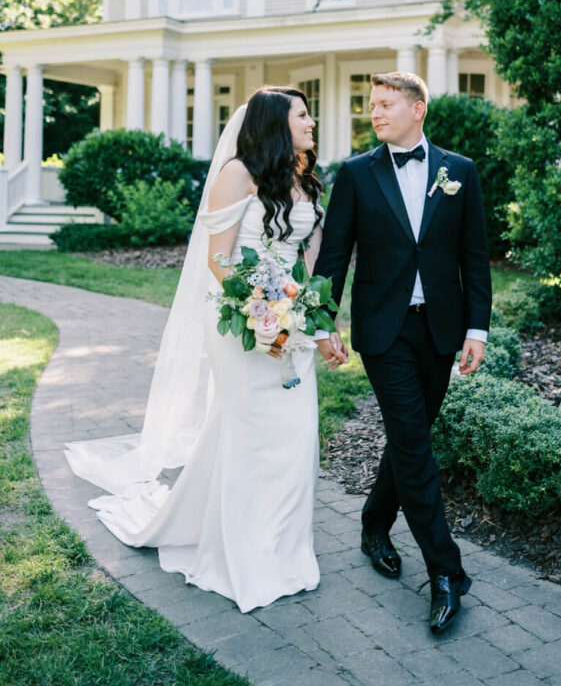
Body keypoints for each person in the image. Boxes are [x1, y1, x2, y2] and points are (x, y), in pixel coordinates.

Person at [65, 87, 346, 613]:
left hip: (294, 320)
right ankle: (242, 555)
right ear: (274, 123)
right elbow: (219, 260)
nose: (312, 122)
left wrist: (319, 320)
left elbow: (309, 261)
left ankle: (285, 551)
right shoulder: (237, 174)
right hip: (242, 321)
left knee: (296, 435)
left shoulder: (305, 177)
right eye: (303, 115)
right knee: (250, 433)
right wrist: (262, 311)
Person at [313, 71, 492, 634]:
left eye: (386, 104)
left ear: (418, 109)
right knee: (414, 443)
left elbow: (476, 258)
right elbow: (334, 256)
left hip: (440, 330)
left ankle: (373, 525)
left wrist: (476, 331)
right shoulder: (357, 175)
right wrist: (323, 321)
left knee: (409, 437)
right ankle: (445, 571)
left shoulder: (458, 171)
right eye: (372, 105)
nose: (376, 113)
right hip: (383, 332)